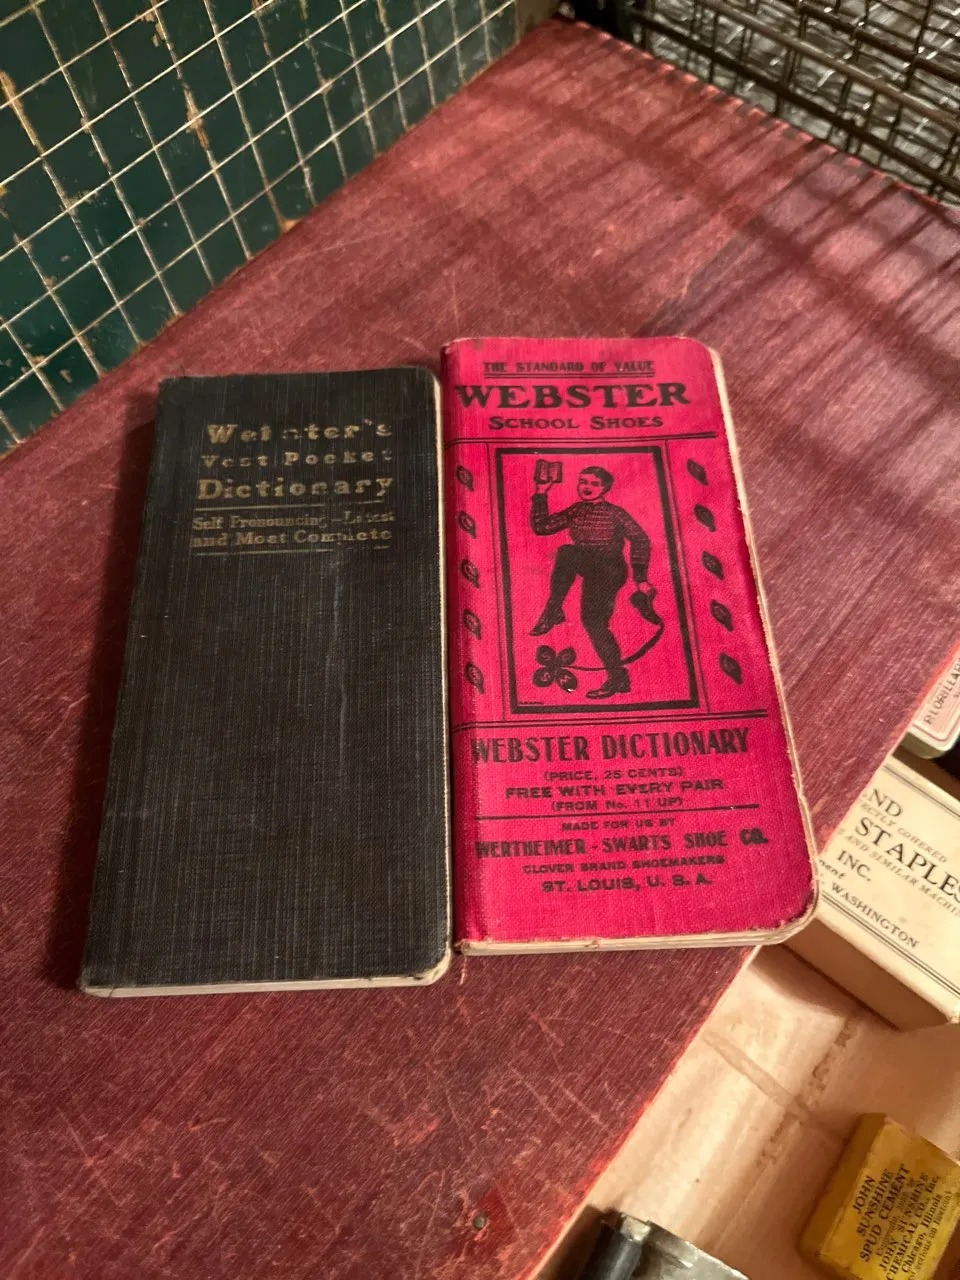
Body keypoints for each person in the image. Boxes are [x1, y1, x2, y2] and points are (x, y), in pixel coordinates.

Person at [530, 465, 653, 698]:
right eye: (583, 482)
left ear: (605, 488)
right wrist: (541, 493)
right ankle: (554, 610)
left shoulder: (615, 513)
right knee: (567, 552)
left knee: (594, 622)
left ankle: (617, 678)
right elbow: (542, 527)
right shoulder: (577, 510)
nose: (587, 487)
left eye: (594, 484)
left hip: (609, 569)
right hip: (588, 563)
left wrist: (640, 578)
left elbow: (641, 539)